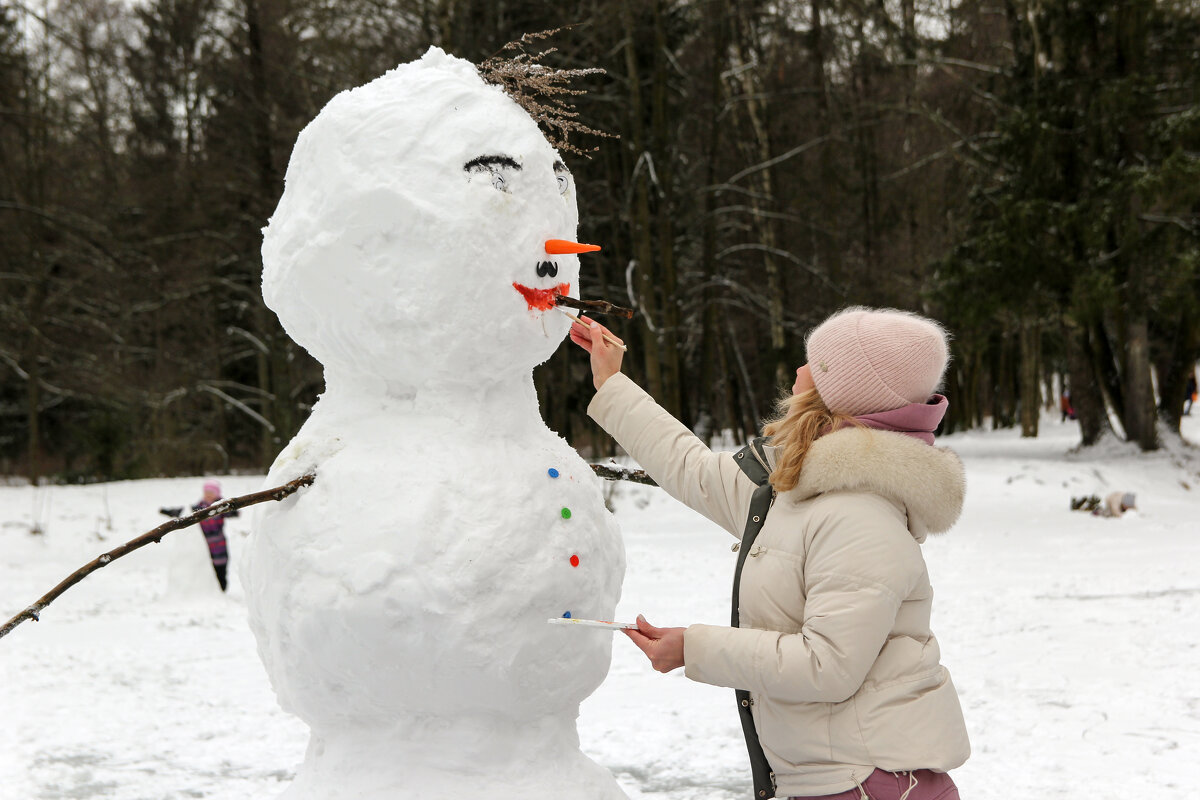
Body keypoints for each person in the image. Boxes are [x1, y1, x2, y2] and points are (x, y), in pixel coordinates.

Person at [571, 307, 969, 800]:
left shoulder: (860, 516)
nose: (798, 372)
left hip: (866, 783)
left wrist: (692, 648)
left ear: (836, 395)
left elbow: (826, 664)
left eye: (813, 364)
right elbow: (692, 468)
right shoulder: (800, 490)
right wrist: (612, 382)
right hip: (833, 778)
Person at [194, 480, 237, 591]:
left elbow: (231, 511)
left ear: (217, 494)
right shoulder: (199, 507)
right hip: (205, 543)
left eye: (211, 492)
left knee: (220, 568)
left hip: (219, 544)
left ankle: (222, 589)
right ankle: (210, 590)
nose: (208, 495)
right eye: (206, 492)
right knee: (207, 567)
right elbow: (187, 512)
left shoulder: (220, 507)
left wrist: (233, 509)